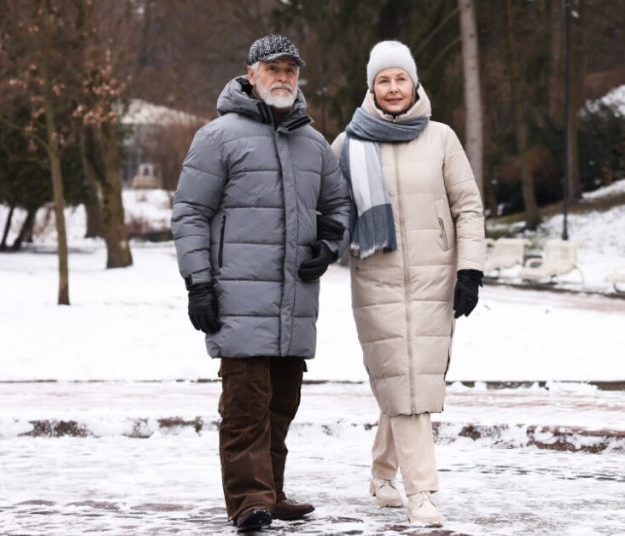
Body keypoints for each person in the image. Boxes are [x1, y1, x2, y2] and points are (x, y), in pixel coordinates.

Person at [170, 34, 351, 531]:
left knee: (281, 405)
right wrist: (199, 283)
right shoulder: (218, 137)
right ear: (251, 74)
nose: (283, 78)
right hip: (237, 298)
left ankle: (271, 490)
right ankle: (250, 500)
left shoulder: (313, 143)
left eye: (290, 70)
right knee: (246, 406)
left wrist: (329, 245)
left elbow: (338, 206)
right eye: (273, 69)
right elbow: (190, 213)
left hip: (294, 303)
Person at [331, 40, 485, 527]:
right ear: (371, 87)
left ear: (414, 83)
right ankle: (423, 495)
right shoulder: (348, 144)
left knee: (410, 382)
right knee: (401, 380)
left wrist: (469, 270)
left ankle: (381, 475)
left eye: (400, 78)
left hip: (433, 279)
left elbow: (468, 207)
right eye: (383, 80)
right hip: (374, 278)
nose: (393, 88)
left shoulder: (441, 138)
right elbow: (331, 211)